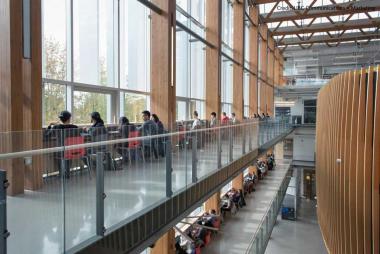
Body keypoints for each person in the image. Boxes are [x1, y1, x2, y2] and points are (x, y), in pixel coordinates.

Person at [45, 110, 79, 177]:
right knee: (68, 155)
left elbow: (47, 135)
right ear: (69, 118)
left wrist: (49, 126)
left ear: (60, 119)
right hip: (71, 149)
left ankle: (61, 174)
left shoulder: (56, 127)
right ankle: (67, 173)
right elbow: (79, 136)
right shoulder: (75, 127)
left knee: (59, 155)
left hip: (60, 149)